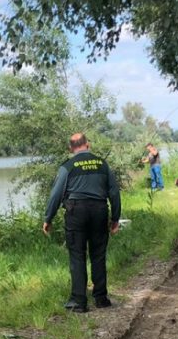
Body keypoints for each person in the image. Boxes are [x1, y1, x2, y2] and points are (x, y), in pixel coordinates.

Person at [42, 133, 122, 313]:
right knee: (98, 255)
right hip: (99, 211)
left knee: (77, 255)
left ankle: (79, 301)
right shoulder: (102, 164)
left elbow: (55, 195)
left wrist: (48, 218)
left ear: (71, 148)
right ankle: (101, 298)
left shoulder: (67, 166)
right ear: (87, 144)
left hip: (75, 212)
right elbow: (114, 192)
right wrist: (115, 218)